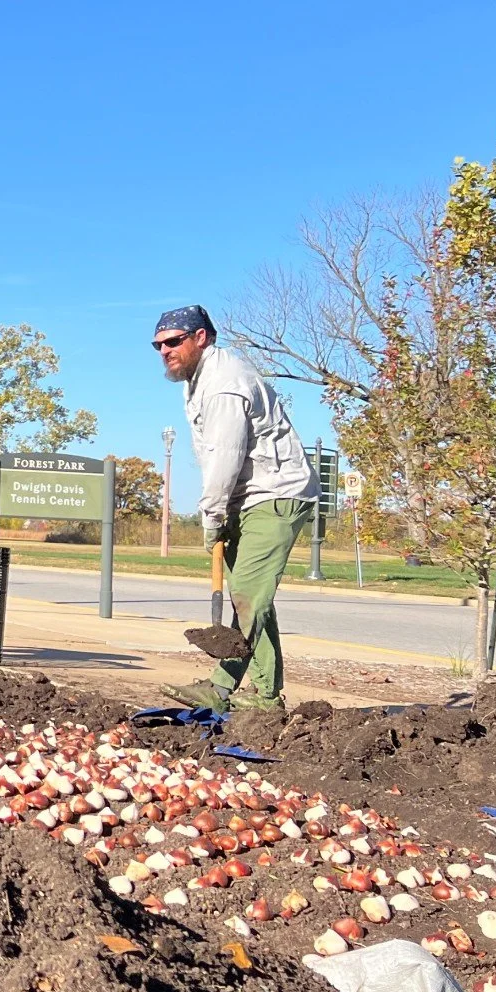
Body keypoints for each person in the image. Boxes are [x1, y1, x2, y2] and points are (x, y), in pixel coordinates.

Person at [154, 305, 319, 711]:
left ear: (201, 338)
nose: (165, 351)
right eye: (158, 346)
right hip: (245, 498)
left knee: (247, 593)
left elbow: (224, 458)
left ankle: (227, 689)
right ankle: (261, 693)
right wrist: (224, 510)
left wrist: (211, 516)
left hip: (276, 494)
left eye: (173, 341)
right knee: (252, 596)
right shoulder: (200, 380)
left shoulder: (224, 385)